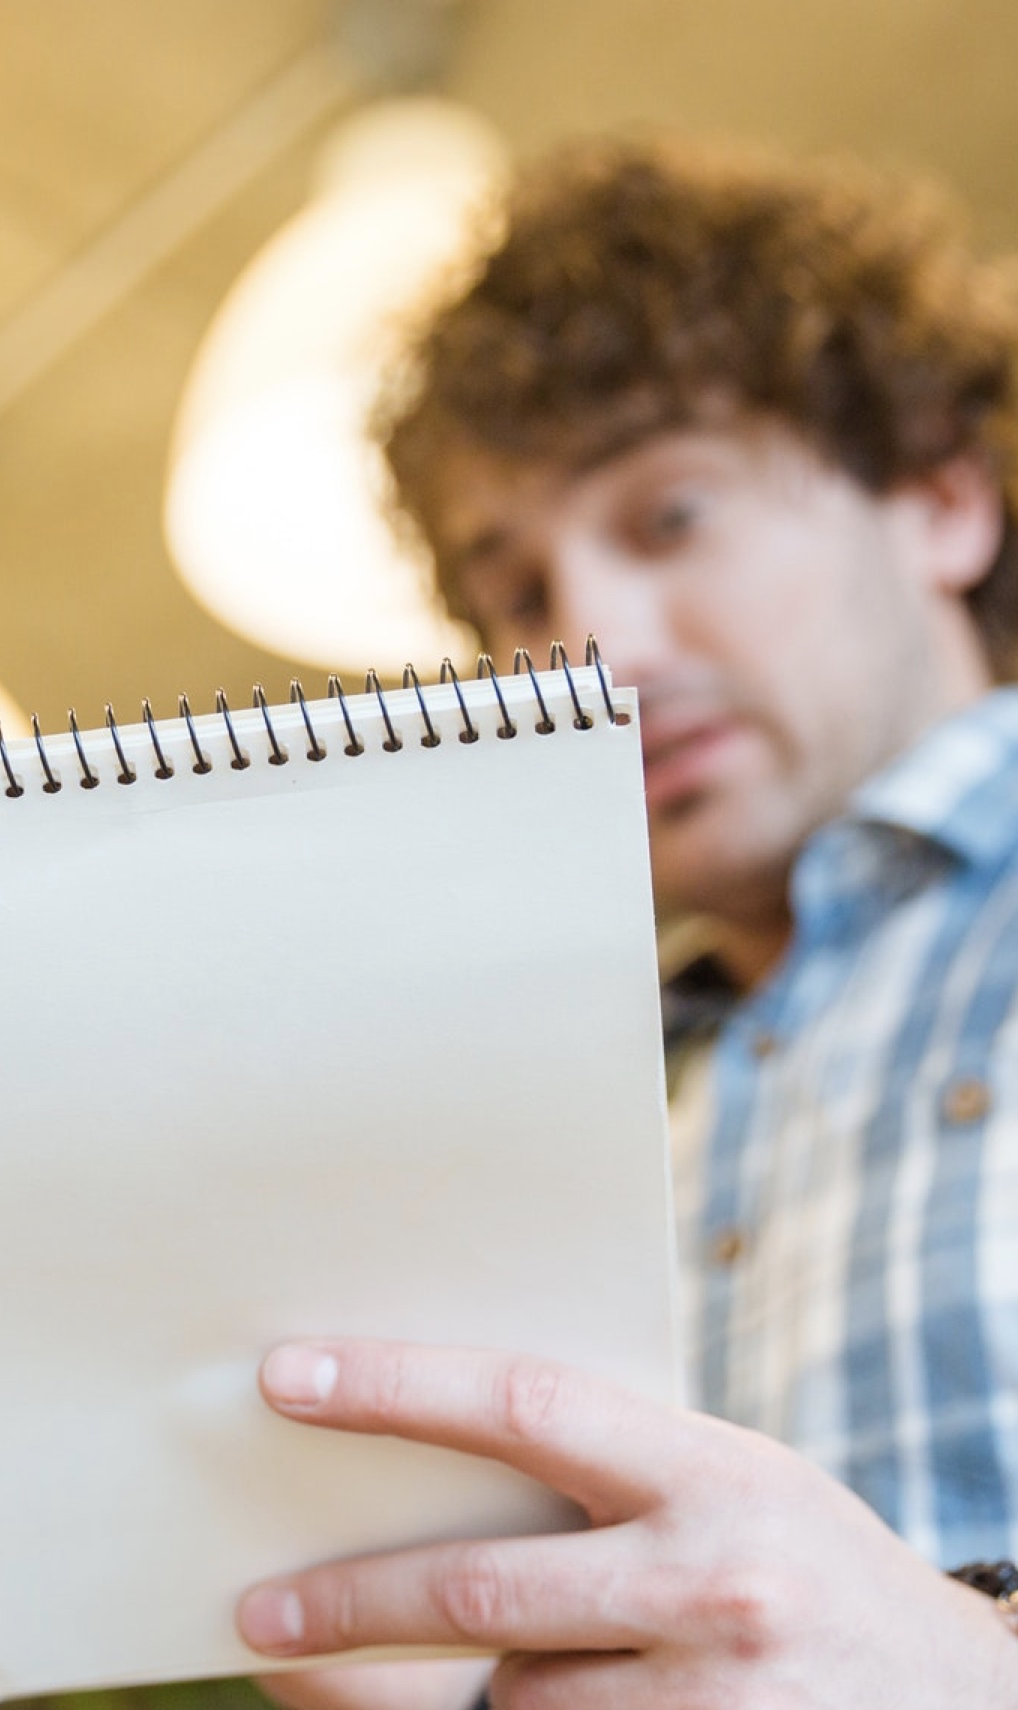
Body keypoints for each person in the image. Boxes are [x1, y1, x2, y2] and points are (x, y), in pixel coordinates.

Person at [231, 135, 1018, 1705]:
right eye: (516, 593)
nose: (589, 649)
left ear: (938, 501)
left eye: (668, 517)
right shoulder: (591, 1104)